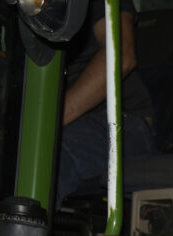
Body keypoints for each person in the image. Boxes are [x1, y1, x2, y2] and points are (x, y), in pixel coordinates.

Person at [55, 0, 156, 207]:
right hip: (64, 123)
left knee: (45, 157)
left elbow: (121, 55)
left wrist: (48, 123)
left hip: (119, 120)